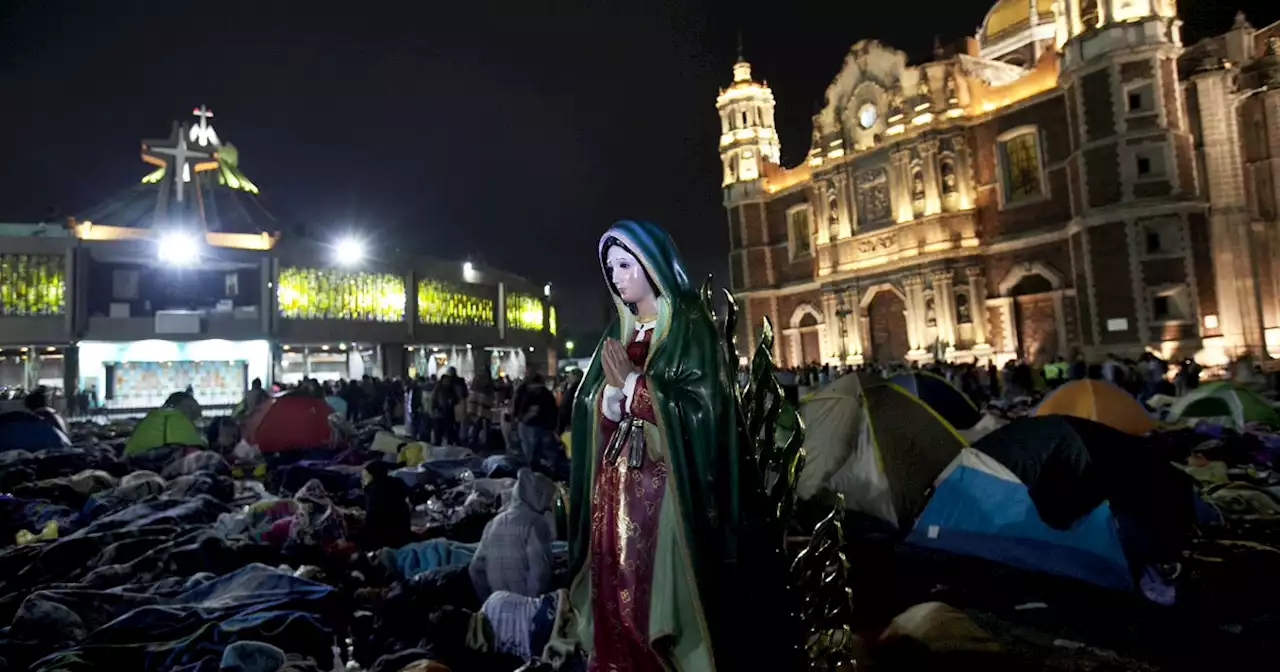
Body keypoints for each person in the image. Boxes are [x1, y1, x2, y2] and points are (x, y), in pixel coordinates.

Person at [568, 221, 751, 671]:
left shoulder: (690, 328)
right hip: (616, 488)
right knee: (615, 572)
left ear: (652, 265)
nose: (616, 275)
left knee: (652, 584)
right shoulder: (621, 330)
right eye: (610, 267)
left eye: (626, 264)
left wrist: (635, 388)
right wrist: (609, 401)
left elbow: (705, 407)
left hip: (668, 488)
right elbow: (589, 399)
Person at [469, 467, 555, 600]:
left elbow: (475, 568)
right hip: (525, 606)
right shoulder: (536, 523)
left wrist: (489, 601)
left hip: (498, 606)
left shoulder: (493, 522)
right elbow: (540, 573)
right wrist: (528, 606)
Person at [360, 460, 412, 551]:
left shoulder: (372, 490)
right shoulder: (397, 482)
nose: (362, 480)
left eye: (365, 477)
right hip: (403, 533)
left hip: (383, 539)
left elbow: (372, 516)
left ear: (373, 475)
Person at [514, 374, 558, 469]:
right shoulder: (546, 393)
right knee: (542, 447)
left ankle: (533, 467)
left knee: (530, 447)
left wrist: (521, 417)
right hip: (543, 424)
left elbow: (527, 408)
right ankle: (545, 467)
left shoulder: (532, 393)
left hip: (531, 424)